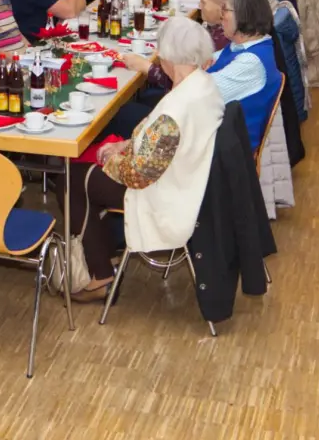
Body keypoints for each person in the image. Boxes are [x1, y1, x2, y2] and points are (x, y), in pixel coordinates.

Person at [64, 17, 224, 301]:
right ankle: (103, 252)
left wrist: (109, 158)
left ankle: (100, 276)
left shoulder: (174, 110)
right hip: (190, 177)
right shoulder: (203, 84)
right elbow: (157, 136)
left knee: (74, 179)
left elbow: (136, 176)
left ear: (167, 56)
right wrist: (128, 143)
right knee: (86, 173)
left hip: (165, 192)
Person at [207, 0, 282, 150]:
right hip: (218, 132)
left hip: (227, 150)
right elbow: (204, 62)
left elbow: (203, 95)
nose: (221, 16)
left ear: (243, 15)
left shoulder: (251, 62)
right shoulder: (240, 46)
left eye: (225, 10)